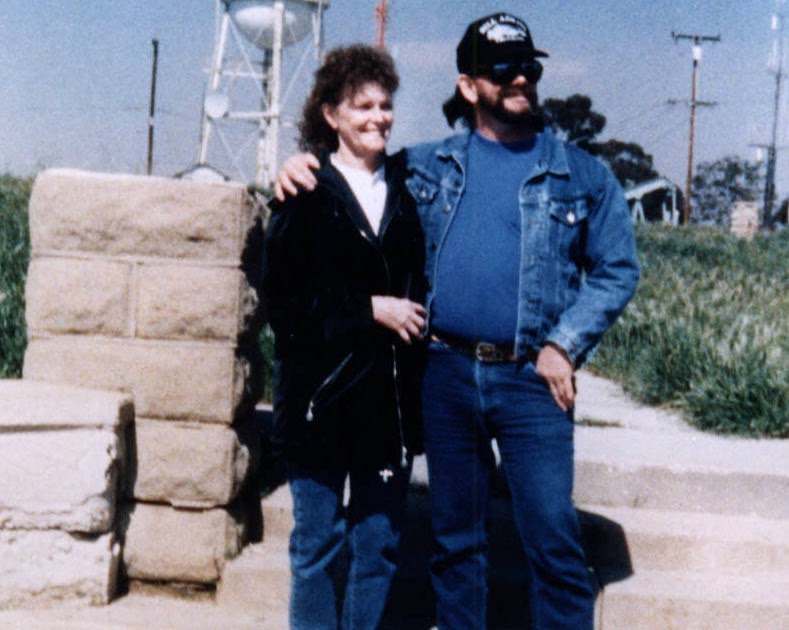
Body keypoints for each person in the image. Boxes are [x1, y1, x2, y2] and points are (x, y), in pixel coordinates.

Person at [275, 13, 639, 629]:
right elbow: (351, 169)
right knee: (456, 545)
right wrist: (299, 164)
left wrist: (564, 345)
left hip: (531, 380)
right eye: (503, 69)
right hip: (444, 373)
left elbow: (617, 269)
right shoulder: (425, 167)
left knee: (552, 538)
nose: (520, 78)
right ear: (469, 86)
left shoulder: (582, 175)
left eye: (528, 66)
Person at [261, 44, 426, 629]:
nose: (378, 118)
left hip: (387, 410)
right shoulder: (303, 193)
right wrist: (368, 309)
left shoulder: (409, 189)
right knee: (316, 547)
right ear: (331, 115)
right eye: (362, 106)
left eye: (385, 105)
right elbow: (284, 308)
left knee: (378, 548)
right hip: (319, 405)